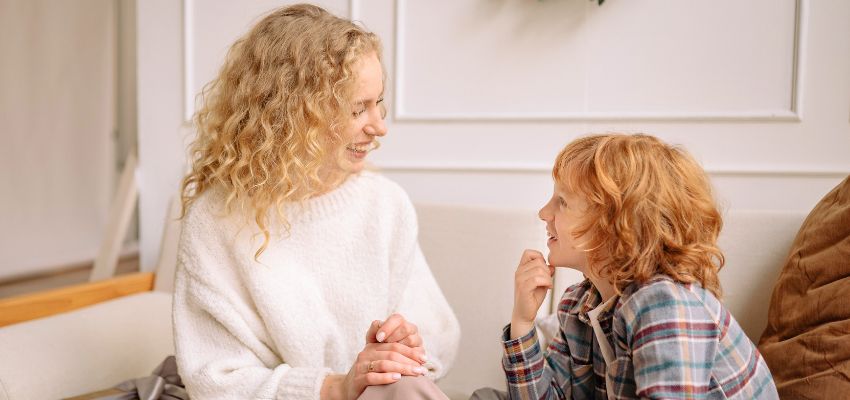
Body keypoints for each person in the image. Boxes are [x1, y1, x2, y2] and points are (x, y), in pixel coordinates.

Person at [172, 4, 459, 400]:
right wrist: (335, 387)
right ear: (295, 115)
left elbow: (436, 336)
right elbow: (215, 381)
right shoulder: (215, 221)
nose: (379, 127)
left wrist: (408, 346)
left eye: (378, 102)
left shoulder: (385, 204)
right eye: (358, 109)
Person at [474, 133, 778, 399]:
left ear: (616, 224)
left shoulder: (665, 303)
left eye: (562, 202)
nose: (543, 212)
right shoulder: (578, 307)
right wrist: (523, 321)